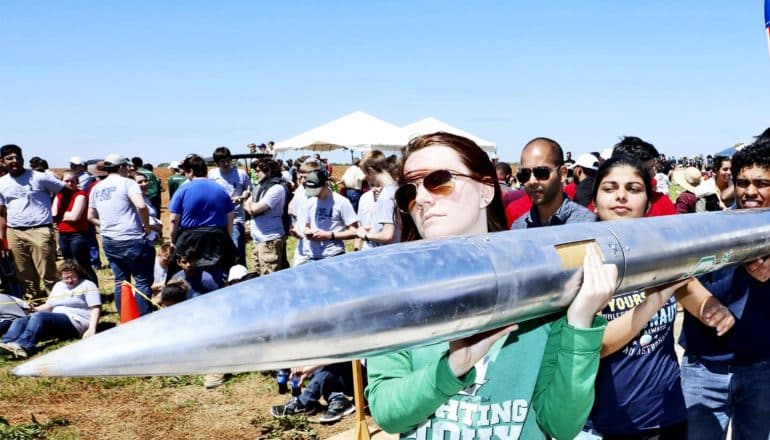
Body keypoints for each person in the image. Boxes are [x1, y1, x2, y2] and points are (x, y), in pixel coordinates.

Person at [365, 132, 618, 439]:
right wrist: (452, 367)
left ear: (485, 191)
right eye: (409, 191)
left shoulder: (541, 286)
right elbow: (388, 414)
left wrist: (580, 322)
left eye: (439, 180)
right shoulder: (395, 294)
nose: (423, 199)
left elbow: (561, 424)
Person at [581, 156, 734, 439]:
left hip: (667, 416)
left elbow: (685, 286)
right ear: (594, 197)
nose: (622, 196)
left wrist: (710, 307)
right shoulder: (584, 258)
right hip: (601, 423)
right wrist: (649, 304)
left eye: (634, 189)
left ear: (648, 202)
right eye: (610, 188)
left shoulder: (658, 250)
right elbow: (594, 345)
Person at [679, 138, 770, 439]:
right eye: (743, 182)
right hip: (704, 371)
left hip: (761, 372)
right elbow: (685, 285)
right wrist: (741, 275)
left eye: (762, 183)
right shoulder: (712, 229)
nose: (750, 192)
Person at [0, 144, 71, 300]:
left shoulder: (39, 177)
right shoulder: (2, 183)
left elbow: (66, 191)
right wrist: (2, 236)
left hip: (40, 230)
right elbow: (2, 212)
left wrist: (59, 214)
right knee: (24, 275)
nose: (15, 161)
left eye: (17, 157)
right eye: (9, 158)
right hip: (14, 232)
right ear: (2, 161)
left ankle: (59, 306)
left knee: (48, 273)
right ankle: (35, 305)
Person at [88, 153, 155, 315]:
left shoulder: (96, 188)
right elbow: (141, 206)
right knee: (142, 281)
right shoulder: (128, 183)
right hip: (131, 237)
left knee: (120, 281)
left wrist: (106, 224)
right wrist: (146, 226)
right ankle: (144, 318)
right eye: (127, 166)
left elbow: (90, 216)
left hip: (110, 239)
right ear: (121, 167)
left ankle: (125, 317)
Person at [0, 260, 100, 359]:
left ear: (78, 274)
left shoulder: (87, 285)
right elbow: (49, 305)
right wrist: (34, 309)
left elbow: (95, 308)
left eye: (73, 277)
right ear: (61, 276)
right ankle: (6, 344)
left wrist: (92, 328)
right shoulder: (59, 285)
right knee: (20, 320)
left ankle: (23, 347)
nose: (70, 280)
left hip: (77, 321)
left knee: (40, 317)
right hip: (55, 320)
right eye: (66, 278)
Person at [168, 154, 235, 284]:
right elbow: (231, 216)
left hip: (190, 239)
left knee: (186, 275)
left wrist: (172, 240)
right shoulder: (220, 190)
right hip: (216, 238)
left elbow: (173, 219)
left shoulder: (183, 189)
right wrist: (227, 237)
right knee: (216, 274)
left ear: (191, 171)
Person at [511, 137, 596, 228]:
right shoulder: (518, 227)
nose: (532, 181)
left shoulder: (587, 224)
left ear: (562, 174)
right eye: (525, 174)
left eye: (541, 172)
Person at [294, 169, 358, 263]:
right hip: (312, 256)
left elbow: (354, 232)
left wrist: (329, 235)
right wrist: (307, 231)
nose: (314, 195)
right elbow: (307, 225)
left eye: (317, 191)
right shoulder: (310, 202)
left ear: (325, 184)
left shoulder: (342, 202)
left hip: (334, 256)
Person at [244, 159, 290, 275]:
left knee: (270, 278)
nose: (256, 173)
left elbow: (254, 209)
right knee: (257, 275)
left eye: (258, 171)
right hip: (258, 239)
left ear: (268, 171)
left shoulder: (276, 188)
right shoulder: (259, 187)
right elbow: (249, 205)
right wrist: (248, 204)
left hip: (269, 240)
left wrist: (247, 202)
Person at [611, 136, 677, 217]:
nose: (653, 174)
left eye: (653, 168)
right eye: (648, 169)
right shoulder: (604, 203)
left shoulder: (661, 202)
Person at [208, 147, 252, 266]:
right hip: (218, 218)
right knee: (220, 250)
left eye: (228, 160)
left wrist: (243, 197)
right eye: (222, 161)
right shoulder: (212, 175)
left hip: (236, 217)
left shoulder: (241, 174)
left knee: (236, 248)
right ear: (217, 163)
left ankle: (240, 274)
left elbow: (248, 189)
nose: (226, 163)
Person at [52, 171, 98, 284]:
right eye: (66, 181)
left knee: (82, 264)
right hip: (63, 234)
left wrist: (59, 216)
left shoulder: (80, 195)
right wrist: (63, 215)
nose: (69, 183)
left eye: (72, 181)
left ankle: (92, 289)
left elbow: (74, 217)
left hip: (78, 234)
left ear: (77, 182)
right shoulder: (59, 195)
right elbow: (53, 214)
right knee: (69, 265)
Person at [357, 151, 400, 247]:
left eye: (365, 174)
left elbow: (387, 235)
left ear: (371, 171)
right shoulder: (398, 188)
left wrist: (365, 235)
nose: (366, 179)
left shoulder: (385, 196)